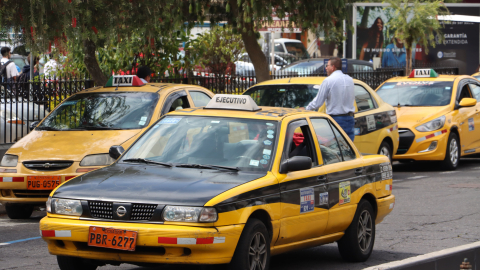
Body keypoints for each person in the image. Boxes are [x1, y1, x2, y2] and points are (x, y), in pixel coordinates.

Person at [303, 57, 356, 141]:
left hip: (336, 120)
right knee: (349, 149)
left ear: (333, 67)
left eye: (327, 65)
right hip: (350, 119)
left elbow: (317, 102)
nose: (326, 68)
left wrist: (306, 109)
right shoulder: (350, 80)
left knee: (335, 150)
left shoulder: (328, 81)